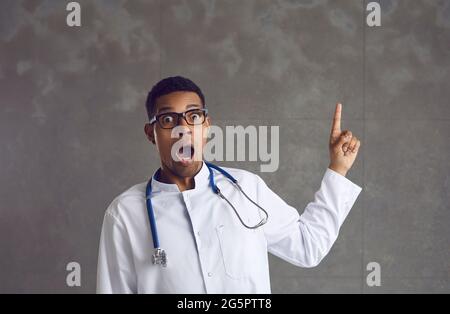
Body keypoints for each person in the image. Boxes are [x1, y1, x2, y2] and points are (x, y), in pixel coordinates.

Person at [96, 76, 362, 293]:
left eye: (193, 116)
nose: (183, 129)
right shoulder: (124, 213)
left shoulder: (245, 188)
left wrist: (338, 169)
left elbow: (308, 246)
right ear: (150, 133)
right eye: (168, 120)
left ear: (207, 127)